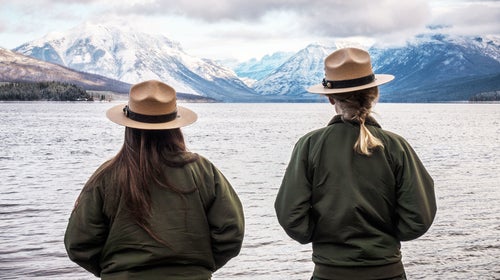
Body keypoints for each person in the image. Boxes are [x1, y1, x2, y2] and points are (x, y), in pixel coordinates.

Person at [274, 48, 436, 280]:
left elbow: (291, 216)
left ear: (330, 99)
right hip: (387, 272)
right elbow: (418, 218)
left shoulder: (309, 145)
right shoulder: (396, 146)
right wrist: (386, 236)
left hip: (329, 273)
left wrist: (322, 237)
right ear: (374, 94)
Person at [65, 80, 245, 280]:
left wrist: (115, 271)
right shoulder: (204, 171)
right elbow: (231, 232)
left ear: (129, 127)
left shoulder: (106, 176)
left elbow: (79, 243)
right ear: (175, 126)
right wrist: (198, 268)